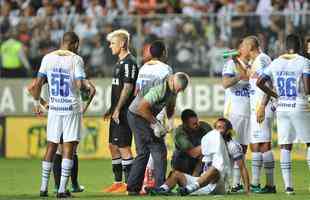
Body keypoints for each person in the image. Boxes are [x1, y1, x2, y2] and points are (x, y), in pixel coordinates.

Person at [29, 32, 95, 198]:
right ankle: (61, 191)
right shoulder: (76, 59)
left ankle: (43, 188)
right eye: (77, 45)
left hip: (54, 108)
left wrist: (38, 104)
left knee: (51, 146)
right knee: (69, 147)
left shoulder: (48, 58)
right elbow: (80, 85)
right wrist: (88, 86)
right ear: (75, 44)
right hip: (70, 108)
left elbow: (36, 84)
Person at [257, 34, 310, 195]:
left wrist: (274, 95)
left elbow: (259, 81)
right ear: (300, 46)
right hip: (299, 104)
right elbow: (308, 89)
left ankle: (288, 187)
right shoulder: (305, 62)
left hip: (282, 107)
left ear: (284, 46)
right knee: (309, 143)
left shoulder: (275, 63)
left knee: (285, 146)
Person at [149, 117, 250, 196]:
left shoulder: (232, 145)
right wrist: (195, 177)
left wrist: (247, 189)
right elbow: (201, 161)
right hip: (202, 182)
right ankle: (162, 189)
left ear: (228, 131)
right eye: (216, 127)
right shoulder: (211, 141)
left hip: (219, 184)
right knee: (176, 174)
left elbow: (242, 167)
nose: (218, 131)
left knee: (215, 168)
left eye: (221, 128)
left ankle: (189, 189)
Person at [126, 72, 190, 195]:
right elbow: (141, 108)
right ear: (172, 81)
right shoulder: (160, 88)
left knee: (143, 152)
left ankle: (133, 188)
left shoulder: (173, 89)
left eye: (180, 91)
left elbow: (170, 105)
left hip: (139, 115)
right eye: (177, 89)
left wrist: (170, 121)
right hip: (137, 115)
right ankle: (160, 187)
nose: (177, 92)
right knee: (159, 149)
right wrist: (156, 124)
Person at [102, 29, 139, 193]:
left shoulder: (130, 62)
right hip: (116, 111)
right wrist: (111, 108)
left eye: (113, 43)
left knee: (123, 146)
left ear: (122, 44)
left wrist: (117, 109)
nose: (110, 46)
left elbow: (128, 87)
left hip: (124, 112)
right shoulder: (119, 63)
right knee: (112, 145)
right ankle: (118, 183)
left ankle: (129, 184)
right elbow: (117, 89)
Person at [135, 40, 174, 193]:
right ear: (163, 52)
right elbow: (169, 93)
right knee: (158, 147)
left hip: (140, 111)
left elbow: (137, 91)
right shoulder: (166, 69)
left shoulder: (144, 67)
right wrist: (169, 119)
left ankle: (141, 182)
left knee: (143, 148)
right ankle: (152, 181)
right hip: (156, 110)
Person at [239, 36, 276, 193]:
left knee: (264, 145)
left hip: (262, 107)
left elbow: (268, 84)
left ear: (250, 47)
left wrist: (262, 105)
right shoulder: (258, 60)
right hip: (257, 107)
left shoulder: (261, 60)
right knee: (256, 145)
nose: (241, 48)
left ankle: (269, 184)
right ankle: (256, 183)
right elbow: (249, 76)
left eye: (243, 46)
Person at [222, 41, 250, 192]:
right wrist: (240, 76)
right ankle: (225, 182)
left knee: (243, 148)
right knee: (229, 148)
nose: (247, 49)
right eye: (245, 46)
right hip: (233, 112)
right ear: (240, 49)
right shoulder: (231, 63)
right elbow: (225, 83)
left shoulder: (252, 62)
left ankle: (236, 183)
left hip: (248, 112)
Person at [172, 109, 212, 175]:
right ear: (185, 124)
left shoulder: (205, 127)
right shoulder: (179, 134)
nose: (197, 125)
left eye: (197, 122)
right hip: (185, 161)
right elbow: (194, 153)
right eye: (194, 124)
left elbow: (216, 141)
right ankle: (183, 177)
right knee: (178, 156)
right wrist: (208, 144)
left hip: (202, 158)